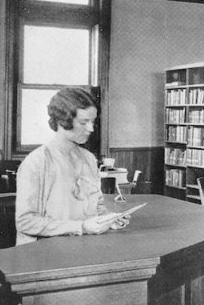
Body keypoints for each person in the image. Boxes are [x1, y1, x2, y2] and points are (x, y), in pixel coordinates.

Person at [15, 87, 129, 245]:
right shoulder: (36, 162)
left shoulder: (89, 158)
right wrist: (81, 227)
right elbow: (25, 222)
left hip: (82, 247)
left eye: (93, 121)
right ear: (63, 121)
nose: (91, 128)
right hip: (43, 254)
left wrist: (108, 219)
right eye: (84, 122)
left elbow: (97, 205)